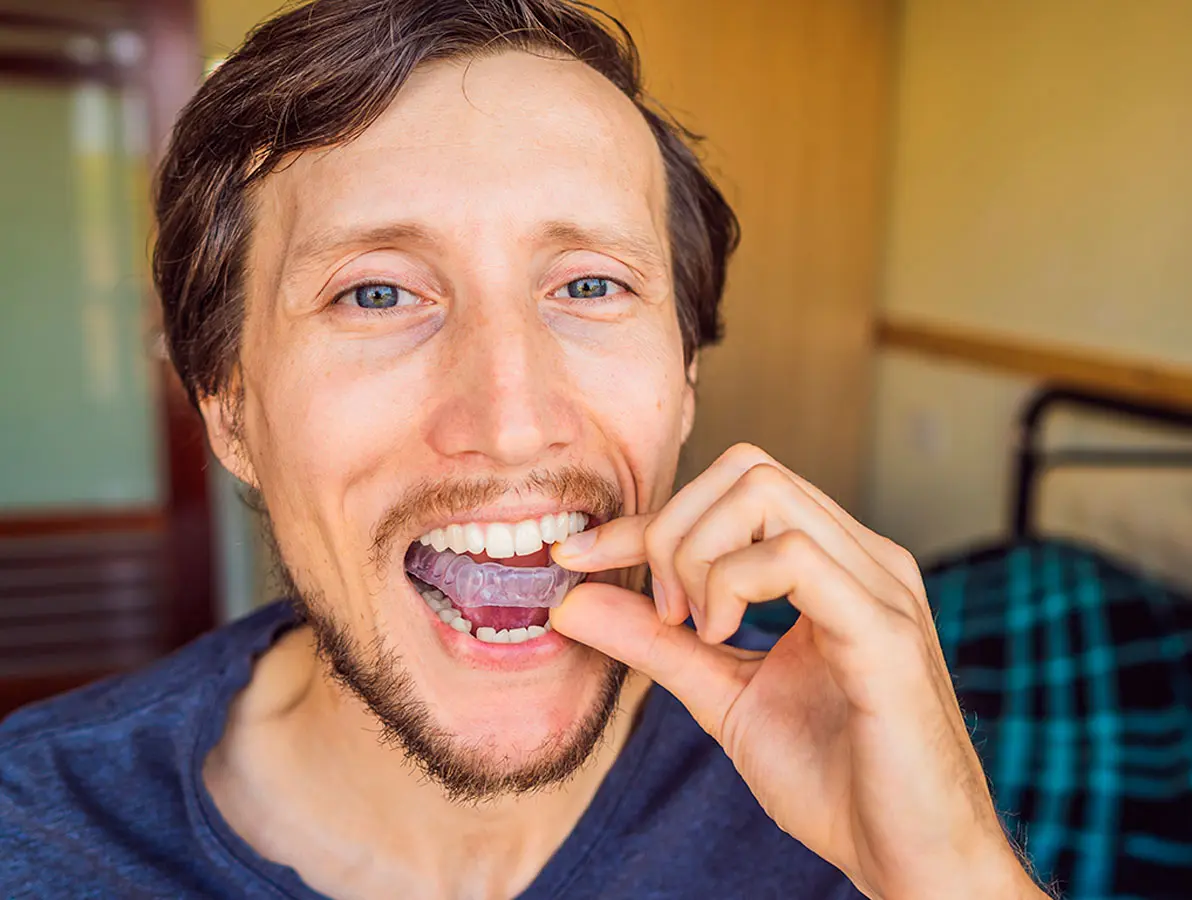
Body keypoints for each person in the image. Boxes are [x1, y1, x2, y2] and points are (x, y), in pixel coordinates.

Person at [0, 2, 1053, 898]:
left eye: (589, 285)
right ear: (230, 411)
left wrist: (955, 872)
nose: (510, 422)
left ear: (685, 380)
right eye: (376, 292)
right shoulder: (31, 836)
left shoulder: (858, 796)